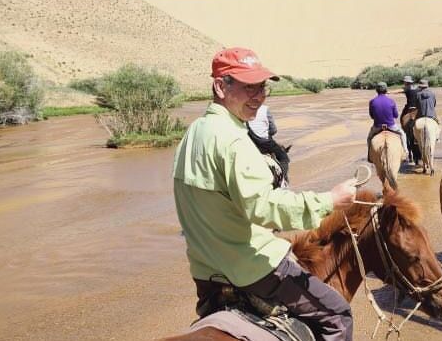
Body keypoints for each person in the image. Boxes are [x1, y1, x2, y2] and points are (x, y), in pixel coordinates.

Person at [173, 47, 357, 341]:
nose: (258, 96)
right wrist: (329, 200)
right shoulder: (234, 140)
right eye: (249, 87)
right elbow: (263, 206)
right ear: (221, 87)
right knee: (339, 315)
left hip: (207, 275)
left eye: (262, 87)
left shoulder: (193, 133)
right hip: (253, 270)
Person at [247, 104, 290, 185]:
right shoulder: (264, 109)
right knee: (284, 158)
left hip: (248, 141)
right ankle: (283, 180)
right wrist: (269, 132)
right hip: (264, 142)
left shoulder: (241, 109)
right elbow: (273, 130)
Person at [366, 82, 409, 157]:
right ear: (386, 90)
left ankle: (370, 155)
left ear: (376, 90)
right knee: (402, 134)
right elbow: (395, 115)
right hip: (391, 126)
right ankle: (405, 151)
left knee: (369, 138)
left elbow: (372, 116)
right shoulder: (391, 101)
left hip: (377, 126)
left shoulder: (372, 101)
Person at [401, 76, 421, 164]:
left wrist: (387, 93)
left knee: (402, 117)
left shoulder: (406, 89)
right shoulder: (418, 88)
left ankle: (410, 154)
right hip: (417, 108)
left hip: (409, 108)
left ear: (406, 82)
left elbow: (398, 91)